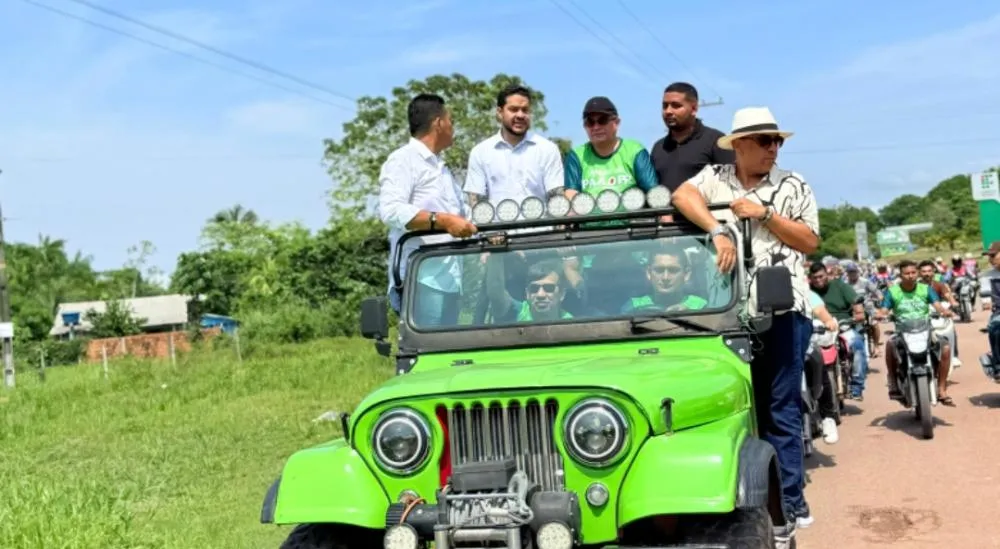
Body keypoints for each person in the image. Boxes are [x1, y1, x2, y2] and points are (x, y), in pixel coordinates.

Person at [668, 106, 819, 540]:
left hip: (782, 311)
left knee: (779, 410)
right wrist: (717, 228)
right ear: (741, 145)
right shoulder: (715, 178)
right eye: (766, 141)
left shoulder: (794, 184)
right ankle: (735, 500)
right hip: (725, 313)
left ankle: (789, 504)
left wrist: (765, 215)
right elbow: (682, 196)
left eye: (778, 142)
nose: (775, 148)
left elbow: (809, 241)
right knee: (731, 410)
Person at [377, 93, 477, 322]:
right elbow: (391, 210)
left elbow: (462, 215)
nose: (453, 127)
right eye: (450, 120)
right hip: (422, 280)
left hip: (449, 280)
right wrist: (442, 221)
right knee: (426, 355)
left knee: (447, 355)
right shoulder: (403, 160)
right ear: (439, 123)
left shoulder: (441, 168)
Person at [464, 84, 565, 209]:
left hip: (541, 228)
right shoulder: (480, 152)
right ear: (500, 113)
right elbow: (476, 203)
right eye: (514, 109)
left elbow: (557, 200)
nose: (520, 115)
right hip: (496, 228)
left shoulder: (547, 150)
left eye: (525, 110)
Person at [878, 259, 954, 405]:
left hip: (925, 330)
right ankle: (893, 381)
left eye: (913, 272)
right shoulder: (893, 291)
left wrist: (944, 311)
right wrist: (881, 314)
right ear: (900, 275)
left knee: (945, 348)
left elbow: (937, 305)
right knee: (890, 345)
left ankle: (942, 389)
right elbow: (884, 309)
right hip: (902, 332)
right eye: (907, 273)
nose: (911, 276)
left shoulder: (925, 289)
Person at [563, 96, 660, 200]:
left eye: (602, 120)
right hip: (589, 216)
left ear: (616, 123)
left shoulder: (635, 150)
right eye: (590, 122)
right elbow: (571, 196)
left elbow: (653, 193)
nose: (596, 127)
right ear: (585, 126)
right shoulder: (576, 155)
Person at [650, 82, 734, 192]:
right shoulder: (658, 148)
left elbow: (732, 187)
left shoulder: (716, 141)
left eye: (676, 106)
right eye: (665, 106)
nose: (668, 111)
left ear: (694, 109)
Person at [807, 262, 869, 401]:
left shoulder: (840, 286)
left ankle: (857, 387)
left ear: (827, 275)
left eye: (821, 276)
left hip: (842, 327)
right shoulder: (807, 290)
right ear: (810, 278)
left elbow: (857, 306)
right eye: (814, 278)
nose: (818, 280)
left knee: (857, 345)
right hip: (817, 331)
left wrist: (858, 314)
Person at [621, 244, 708, 313]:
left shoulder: (700, 306)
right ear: (648, 273)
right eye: (659, 270)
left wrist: (692, 316)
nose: (665, 277)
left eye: (673, 270)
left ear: (686, 274)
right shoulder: (634, 306)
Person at [486, 256, 573, 323]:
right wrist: (495, 256)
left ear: (562, 294)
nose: (540, 295)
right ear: (527, 293)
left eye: (548, 288)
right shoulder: (519, 311)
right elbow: (496, 294)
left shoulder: (572, 324)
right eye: (534, 289)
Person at [806, 290, 841, 445]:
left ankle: (828, 417)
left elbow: (819, 309)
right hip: (781, 347)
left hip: (806, 344)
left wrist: (828, 321)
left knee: (820, 367)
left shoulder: (805, 292)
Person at [918, 259, 962, 368]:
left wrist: (953, 302)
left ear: (933, 272)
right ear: (919, 273)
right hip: (921, 316)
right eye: (924, 271)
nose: (927, 274)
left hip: (938, 314)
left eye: (929, 271)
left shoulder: (939, 285)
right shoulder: (915, 286)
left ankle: (954, 355)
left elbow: (947, 295)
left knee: (951, 328)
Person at [845, 261, 883, 357]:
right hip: (852, 309)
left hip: (867, 307)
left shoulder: (865, 282)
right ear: (847, 273)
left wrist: (879, 297)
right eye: (850, 272)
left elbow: (877, 292)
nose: (852, 274)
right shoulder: (844, 284)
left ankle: (876, 346)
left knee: (874, 323)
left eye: (854, 271)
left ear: (857, 272)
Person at [980, 242, 1000, 366]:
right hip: (999, 312)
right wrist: (986, 302)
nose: (990, 259)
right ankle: (997, 364)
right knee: (995, 329)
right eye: (989, 256)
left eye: (993, 255)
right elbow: (985, 295)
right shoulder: (986, 276)